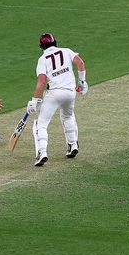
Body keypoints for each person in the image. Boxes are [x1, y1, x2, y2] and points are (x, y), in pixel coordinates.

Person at [26, 33, 87, 166]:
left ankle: (42, 153)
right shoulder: (67, 51)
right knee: (68, 117)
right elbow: (80, 63)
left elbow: (41, 82)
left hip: (54, 94)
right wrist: (82, 82)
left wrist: (34, 100)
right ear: (56, 43)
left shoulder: (42, 59)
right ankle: (72, 145)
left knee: (40, 124)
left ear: (41, 47)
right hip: (70, 93)